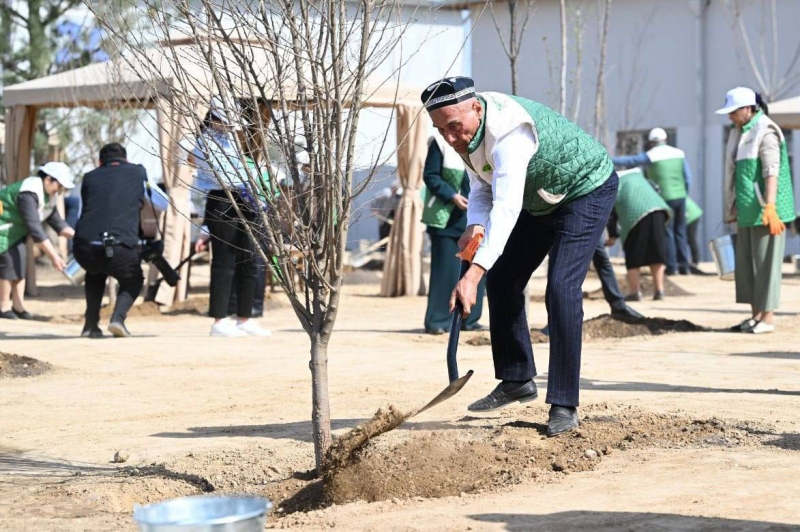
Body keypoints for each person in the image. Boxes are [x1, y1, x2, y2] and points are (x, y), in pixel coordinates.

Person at [422, 77, 618, 437]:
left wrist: (472, 275)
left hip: (584, 190)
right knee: (504, 276)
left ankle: (563, 403)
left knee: (560, 288)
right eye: (441, 129)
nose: (450, 137)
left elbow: (508, 206)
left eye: (454, 126)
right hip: (539, 196)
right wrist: (475, 225)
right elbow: (481, 187)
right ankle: (516, 379)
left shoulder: (509, 133)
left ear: (476, 109)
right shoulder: (464, 134)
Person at [717, 87, 795, 334]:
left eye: (733, 111)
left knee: (766, 264)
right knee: (748, 265)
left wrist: (770, 207)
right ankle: (755, 316)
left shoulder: (766, 130)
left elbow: (770, 171)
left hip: (766, 211)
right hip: (747, 211)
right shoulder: (739, 132)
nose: (730, 117)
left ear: (748, 109)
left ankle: (768, 319)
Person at [193, 96, 271, 338]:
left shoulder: (233, 141)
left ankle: (244, 317)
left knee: (249, 259)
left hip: (246, 200)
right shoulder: (203, 141)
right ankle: (219, 320)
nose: (229, 126)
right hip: (221, 200)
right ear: (214, 118)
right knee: (224, 262)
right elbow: (219, 174)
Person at [73, 143, 169, 338]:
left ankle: (90, 325)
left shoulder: (89, 177)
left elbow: (84, 210)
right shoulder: (138, 173)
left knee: (94, 273)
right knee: (133, 280)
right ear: (127, 160)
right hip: (121, 247)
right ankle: (117, 319)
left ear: (100, 162)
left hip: (85, 248)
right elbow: (162, 203)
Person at [422, 131, 487, 335]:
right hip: (448, 219)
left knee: (477, 268)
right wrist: (451, 196)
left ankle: (470, 319)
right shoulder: (440, 143)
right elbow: (430, 175)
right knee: (445, 272)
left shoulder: (484, 143)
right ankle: (438, 321)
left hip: (478, 219)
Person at [612, 128, 692, 276]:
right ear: (665, 139)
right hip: (680, 197)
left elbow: (629, 161)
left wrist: (608, 159)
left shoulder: (651, 155)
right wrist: (684, 193)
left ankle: (672, 267)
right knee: (680, 232)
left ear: (650, 142)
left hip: (663, 198)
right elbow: (687, 177)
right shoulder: (679, 153)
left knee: (667, 233)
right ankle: (685, 266)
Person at [0, 162, 75, 319]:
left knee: (20, 264)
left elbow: (59, 225)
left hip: (16, 231)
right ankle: (3, 306)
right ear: (48, 179)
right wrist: (54, 256)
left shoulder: (49, 196)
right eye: (59, 185)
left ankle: (18, 306)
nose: (60, 190)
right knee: (7, 265)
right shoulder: (29, 192)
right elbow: (35, 229)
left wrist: (79, 237)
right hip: (3, 228)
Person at [605, 168, 671, 301]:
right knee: (656, 252)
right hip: (658, 210)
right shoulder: (638, 175)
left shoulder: (613, 182)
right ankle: (660, 291)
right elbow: (657, 189)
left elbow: (610, 213)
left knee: (634, 253)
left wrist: (612, 235)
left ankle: (635, 292)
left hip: (634, 215)